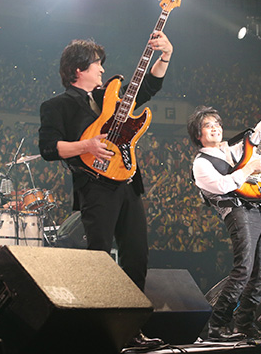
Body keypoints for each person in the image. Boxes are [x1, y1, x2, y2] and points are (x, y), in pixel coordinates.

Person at [38, 34, 172, 347]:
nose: (102, 69)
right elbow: (48, 148)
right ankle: (96, 331)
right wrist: (86, 145)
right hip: (95, 187)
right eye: (97, 64)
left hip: (128, 184)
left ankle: (132, 329)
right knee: (98, 257)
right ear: (78, 69)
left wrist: (165, 56)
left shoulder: (109, 96)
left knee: (137, 257)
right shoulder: (56, 106)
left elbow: (147, 88)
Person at [188, 101, 261, 340]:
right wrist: (248, 169)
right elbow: (222, 186)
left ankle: (245, 323)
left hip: (255, 209)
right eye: (208, 125)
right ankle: (216, 325)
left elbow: (256, 137)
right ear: (198, 135)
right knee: (243, 269)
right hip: (236, 213)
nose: (215, 128)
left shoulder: (229, 150)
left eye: (217, 124)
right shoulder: (200, 163)